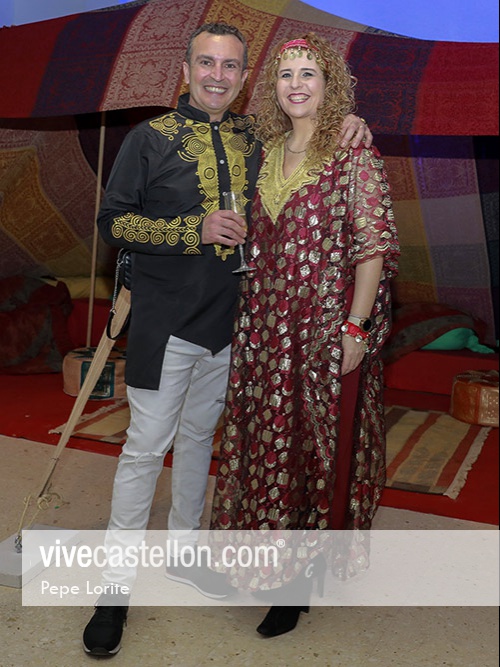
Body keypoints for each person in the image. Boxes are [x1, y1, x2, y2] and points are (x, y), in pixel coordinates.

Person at [82, 22, 373, 657]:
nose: (217, 75)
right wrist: (194, 229)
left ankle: (185, 554)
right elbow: (113, 222)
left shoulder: (256, 137)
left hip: (234, 326)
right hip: (164, 324)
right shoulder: (148, 139)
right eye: (206, 63)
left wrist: (352, 124)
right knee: (144, 450)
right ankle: (114, 588)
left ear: (244, 79)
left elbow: (311, 135)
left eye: (231, 66)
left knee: (198, 442)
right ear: (185, 71)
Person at [209, 32, 399, 637]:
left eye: (309, 73)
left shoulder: (351, 152)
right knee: (268, 442)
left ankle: (298, 582)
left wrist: (356, 328)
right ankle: (264, 562)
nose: (296, 84)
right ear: (273, 87)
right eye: (286, 73)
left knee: (314, 452)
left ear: (329, 85)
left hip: (321, 329)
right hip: (265, 327)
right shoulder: (263, 150)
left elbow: (373, 247)